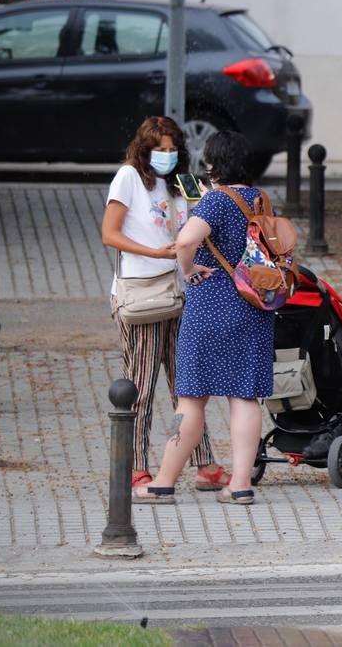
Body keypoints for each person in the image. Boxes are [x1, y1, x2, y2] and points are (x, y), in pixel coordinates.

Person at [134, 131, 275, 506]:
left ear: (214, 164)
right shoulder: (260, 199)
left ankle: (163, 482)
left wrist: (189, 267)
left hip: (210, 310)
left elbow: (184, 241)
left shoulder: (214, 201)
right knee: (245, 397)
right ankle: (241, 484)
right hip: (254, 309)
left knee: (191, 400)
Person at [101, 116, 228, 493]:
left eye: (173, 150)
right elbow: (109, 233)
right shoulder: (129, 178)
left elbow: (198, 226)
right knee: (139, 384)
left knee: (186, 387)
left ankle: (202, 461)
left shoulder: (182, 182)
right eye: (161, 150)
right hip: (144, 293)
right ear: (145, 149)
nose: (167, 156)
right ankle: (136, 464)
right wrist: (153, 252)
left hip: (181, 292)